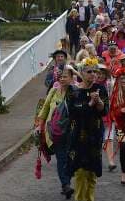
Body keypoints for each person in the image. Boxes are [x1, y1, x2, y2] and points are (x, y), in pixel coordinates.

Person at [66, 58, 109, 201]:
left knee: (91, 173)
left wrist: (99, 103)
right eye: (89, 71)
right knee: (80, 173)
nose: (93, 74)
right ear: (81, 73)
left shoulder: (100, 89)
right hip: (78, 136)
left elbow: (104, 112)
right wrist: (90, 103)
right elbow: (74, 112)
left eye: (95, 71)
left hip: (95, 136)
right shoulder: (74, 91)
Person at [36, 66, 77, 199]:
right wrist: (39, 126)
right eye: (61, 76)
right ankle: (65, 185)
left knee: (69, 158)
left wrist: (75, 72)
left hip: (71, 131)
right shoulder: (53, 91)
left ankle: (66, 182)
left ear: (72, 78)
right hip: (55, 131)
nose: (63, 78)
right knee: (61, 158)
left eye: (66, 76)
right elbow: (45, 108)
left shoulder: (75, 92)